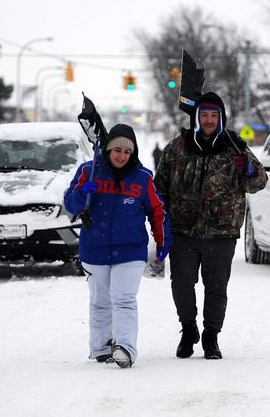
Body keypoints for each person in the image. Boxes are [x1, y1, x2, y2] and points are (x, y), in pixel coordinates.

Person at [154, 92, 267, 360]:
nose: (208, 120)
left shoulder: (234, 146)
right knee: (181, 284)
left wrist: (249, 170)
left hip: (222, 232)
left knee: (216, 288)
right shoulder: (177, 148)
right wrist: (159, 221)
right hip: (183, 230)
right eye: (204, 114)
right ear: (196, 117)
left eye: (213, 115)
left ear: (221, 118)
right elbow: (159, 188)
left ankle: (211, 336)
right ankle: (189, 329)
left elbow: (259, 182)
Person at [64, 124, 172, 368]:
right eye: (117, 150)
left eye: (127, 151)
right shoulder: (88, 172)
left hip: (131, 250)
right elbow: (70, 206)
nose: (121, 155)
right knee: (100, 301)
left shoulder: (143, 178)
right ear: (108, 150)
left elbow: (157, 212)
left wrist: (162, 242)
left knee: (124, 299)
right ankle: (101, 347)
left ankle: (125, 348)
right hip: (94, 249)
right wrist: (82, 192)